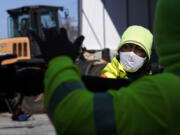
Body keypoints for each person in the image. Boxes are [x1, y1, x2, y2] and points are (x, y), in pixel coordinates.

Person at [31, 0, 180, 134]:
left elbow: (76, 116)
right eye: (127, 48)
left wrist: (59, 61)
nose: (132, 55)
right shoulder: (114, 72)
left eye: (139, 50)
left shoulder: (164, 92)